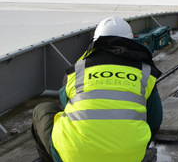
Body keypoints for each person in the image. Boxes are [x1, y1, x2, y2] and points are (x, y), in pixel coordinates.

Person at [31, 16, 163, 162]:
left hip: (74, 154)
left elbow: (66, 104)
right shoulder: (145, 73)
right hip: (129, 155)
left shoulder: (78, 70)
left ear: (95, 41)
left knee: (43, 109)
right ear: (131, 40)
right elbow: (155, 120)